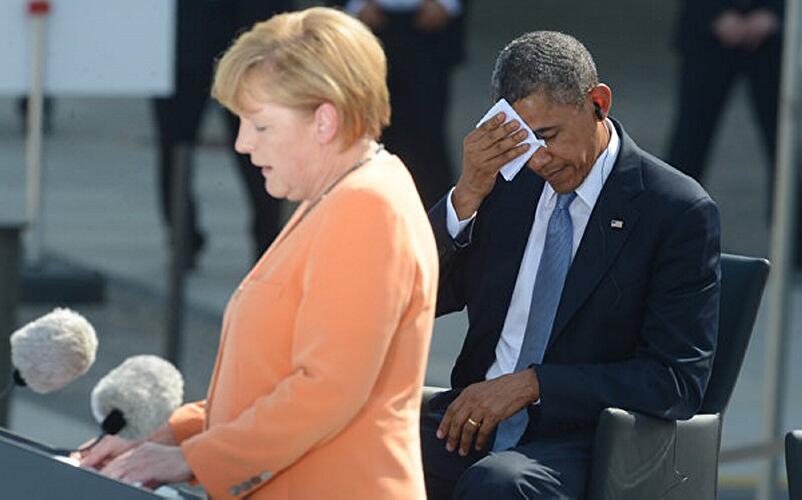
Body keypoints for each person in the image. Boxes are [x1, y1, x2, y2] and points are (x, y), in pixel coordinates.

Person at [78, 8, 439, 498]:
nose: (243, 144)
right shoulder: (337, 193)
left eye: (260, 125)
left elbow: (325, 390)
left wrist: (191, 457)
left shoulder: (365, 206)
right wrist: (170, 436)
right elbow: (275, 380)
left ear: (324, 121)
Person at [421, 31, 721, 498]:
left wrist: (533, 384)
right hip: (472, 423)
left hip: (587, 438)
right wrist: (465, 198)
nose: (538, 159)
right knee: (346, 448)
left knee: (498, 485)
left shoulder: (675, 210)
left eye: (548, 136)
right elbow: (417, 297)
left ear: (597, 103)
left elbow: (675, 381)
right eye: (522, 142)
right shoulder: (504, 183)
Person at [154, 0, 292, 268]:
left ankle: (267, 240)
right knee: (176, 146)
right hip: (196, 35)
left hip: (240, 34)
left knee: (261, 141)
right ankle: (184, 237)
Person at [331, 0, 470, 208]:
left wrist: (446, 3)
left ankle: (436, 223)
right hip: (367, 27)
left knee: (428, 136)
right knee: (367, 131)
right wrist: (355, 5)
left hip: (431, 32)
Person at [667, 0, 782, 184]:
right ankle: (673, 209)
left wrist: (778, 13)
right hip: (706, 35)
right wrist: (710, 11)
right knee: (690, 139)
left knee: (786, 143)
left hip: (775, 38)